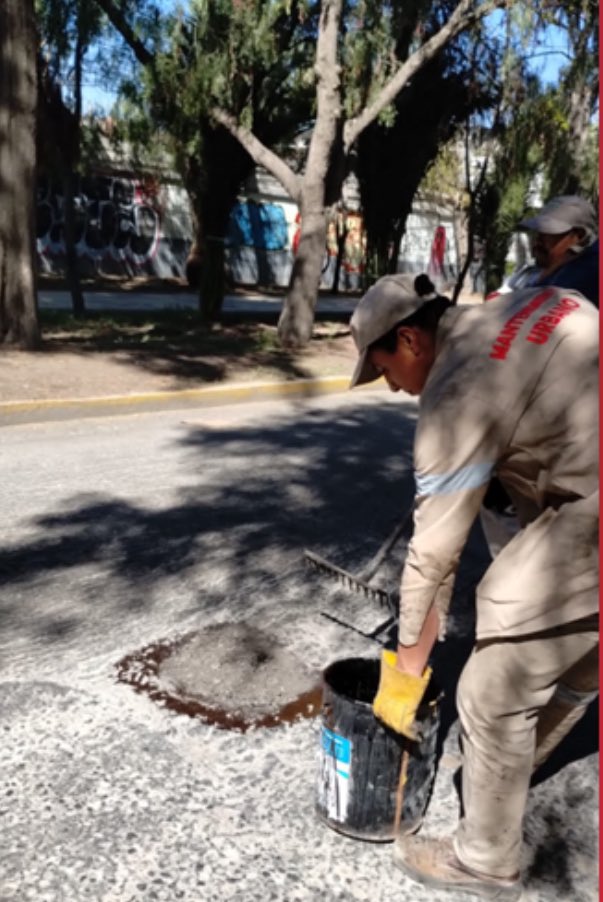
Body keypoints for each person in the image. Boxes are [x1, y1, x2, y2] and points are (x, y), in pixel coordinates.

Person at [349, 272, 599, 900]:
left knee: (489, 694)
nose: (394, 389)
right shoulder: (535, 301)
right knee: (574, 652)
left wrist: (407, 671)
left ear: (409, 340)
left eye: (383, 370)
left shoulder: (454, 393)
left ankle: (485, 859)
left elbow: (434, 557)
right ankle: (517, 764)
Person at [489, 194, 599, 306]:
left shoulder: (586, 277)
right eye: (539, 232)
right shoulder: (531, 273)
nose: (537, 241)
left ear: (579, 236)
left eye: (549, 233)